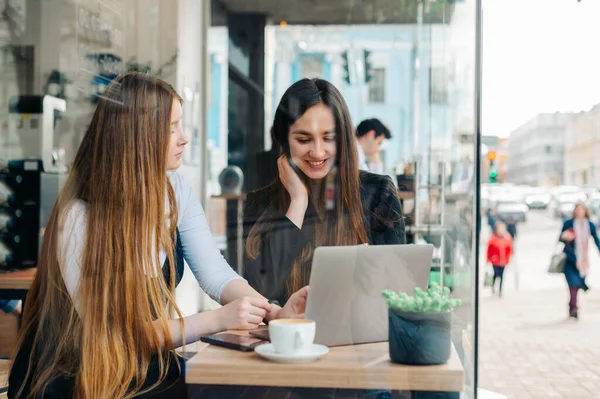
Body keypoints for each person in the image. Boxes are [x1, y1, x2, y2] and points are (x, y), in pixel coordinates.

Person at [8, 71, 307, 399]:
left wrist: (273, 312)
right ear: (137, 136)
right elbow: (121, 337)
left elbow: (216, 275)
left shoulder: (174, 189)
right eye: (171, 128)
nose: (184, 137)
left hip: (137, 365)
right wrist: (217, 319)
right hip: (79, 377)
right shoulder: (78, 219)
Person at [243, 78, 406, 306]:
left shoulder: (378, 193)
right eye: (303, 139)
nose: (318, 152)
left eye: (329, 138)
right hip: (286, 338)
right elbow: (262, 292)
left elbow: (399, 295)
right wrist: (298, 201)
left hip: (359, 338)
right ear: (284, 139)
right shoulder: (259, 203)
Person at [560, 202, 600, 319]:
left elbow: (596, 240)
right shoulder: (568, 223)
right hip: (570, 258)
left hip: (583, 260)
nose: (579, 212)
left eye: (582, 210)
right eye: (577, 210)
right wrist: (565, 237)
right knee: (573, 284)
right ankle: (573, 307)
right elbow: (560, 238)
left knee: (578, 283)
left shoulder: (590, 225)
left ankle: (573, 302)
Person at [486, 221, 513, 297]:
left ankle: (500, 290)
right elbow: (489, 250)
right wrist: (488, 259)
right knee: (496, 274)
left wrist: (508, 259)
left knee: (501, 276)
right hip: (495, 261)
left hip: (503, 261)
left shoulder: (507, 238)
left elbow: (509, 250)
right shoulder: (493, 239)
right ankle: (493, 287)